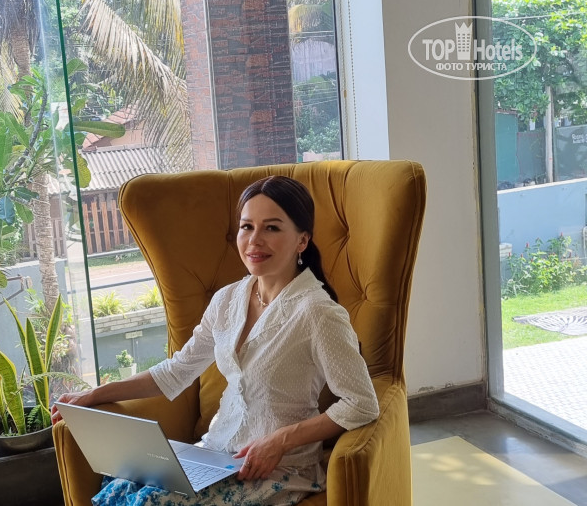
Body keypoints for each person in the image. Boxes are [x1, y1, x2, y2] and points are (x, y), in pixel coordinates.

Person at [51, 175, 379, 506]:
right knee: (119, 486)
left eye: (272, 228)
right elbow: (177, 370)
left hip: (279, 468)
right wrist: (94, 394)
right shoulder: (227, 300)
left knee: (148, 503)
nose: (254, 240)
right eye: (247, 227)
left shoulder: (318, 312)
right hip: (216, 454)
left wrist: (280, 441)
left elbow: (361, 403)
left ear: (302, 240)